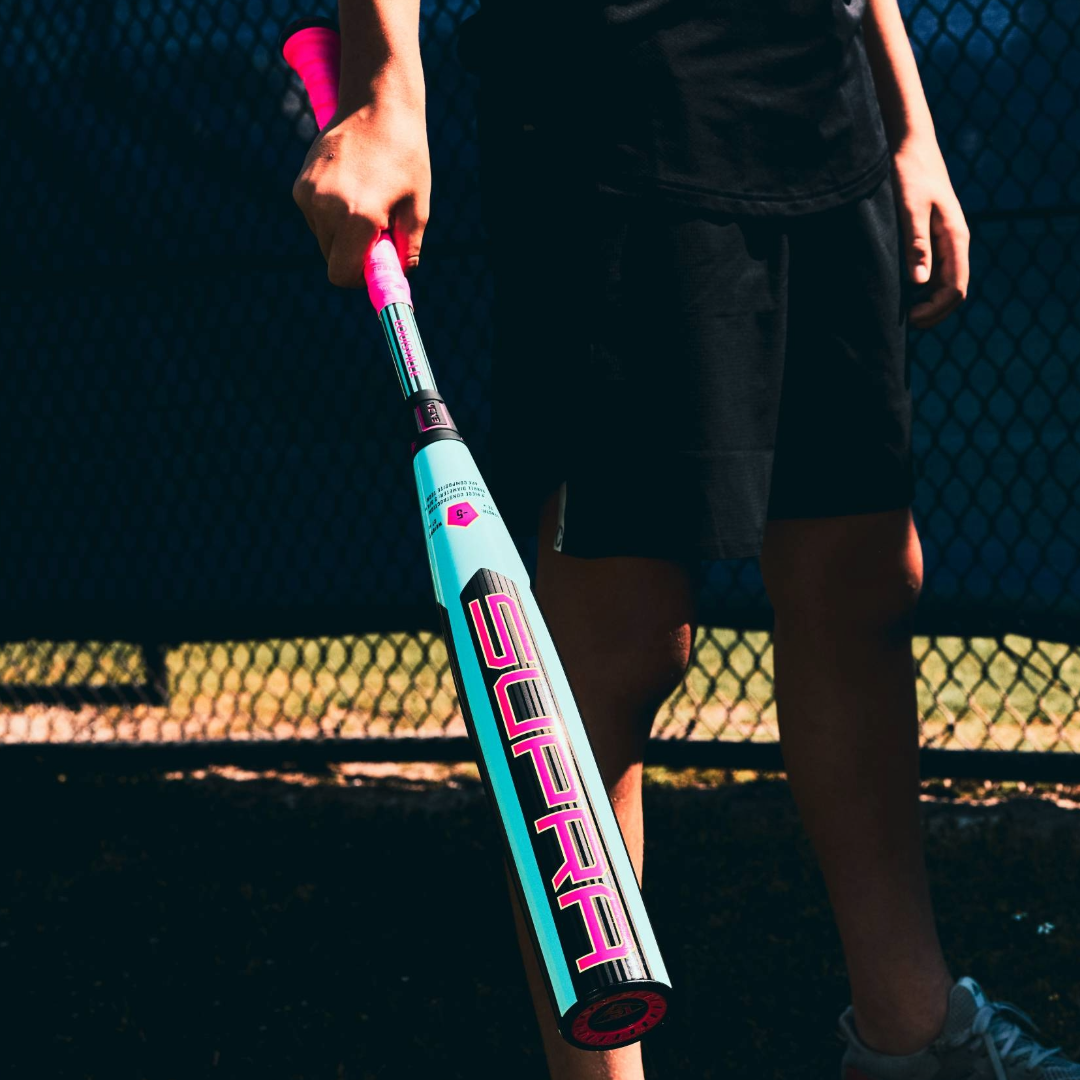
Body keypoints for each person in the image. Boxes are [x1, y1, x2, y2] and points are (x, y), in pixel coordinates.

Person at [291, 2, 1078, 1078]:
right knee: (617, 637)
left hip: (820, 90)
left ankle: (914, 1037)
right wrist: (389, 85)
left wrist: (911, 120)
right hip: (614, 92)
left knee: (863, 577)